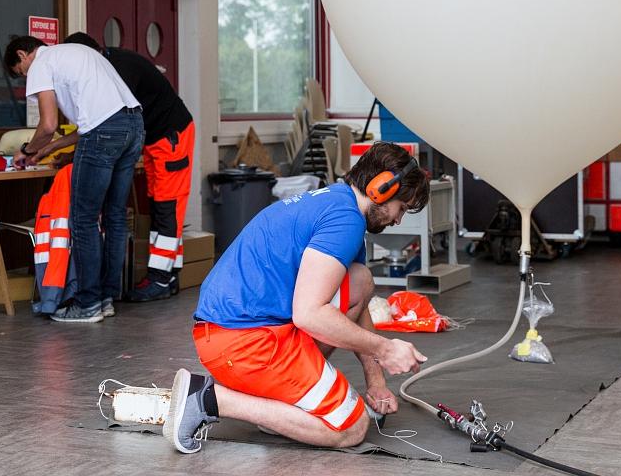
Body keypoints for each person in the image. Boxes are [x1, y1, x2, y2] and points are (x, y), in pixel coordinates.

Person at [162, 142, 431, 453]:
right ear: (382, 189)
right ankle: (209, 399)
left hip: (235, 332)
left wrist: (376, 381)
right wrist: (386, 348)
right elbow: (309, 314)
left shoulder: (338, 204)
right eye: (402, 208)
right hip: (244, 343)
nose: (398, 220)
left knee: (359, 280)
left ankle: (286, 402)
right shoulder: (344, 221)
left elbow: (356, 302)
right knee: (351, 427)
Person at [3, 35, 144, 323]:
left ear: (22, 55)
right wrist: (49, 148)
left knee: (83, 220)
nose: (27, 77)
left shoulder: (40, 63)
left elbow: (48, 124)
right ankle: (106, 299)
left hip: (105, 132)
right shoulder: (75, 52)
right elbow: (99, 121)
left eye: (21, 72)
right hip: (134, 126)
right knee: (115, 216)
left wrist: (26, 151)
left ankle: (87, 303)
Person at [62, 32, 195, 302]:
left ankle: (160, 278)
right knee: (158, 205)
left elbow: (111, 118)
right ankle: (168, 275)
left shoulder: (120, 68)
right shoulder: (110, 64)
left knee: (167, 206)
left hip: (171, 135)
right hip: (156, 139)